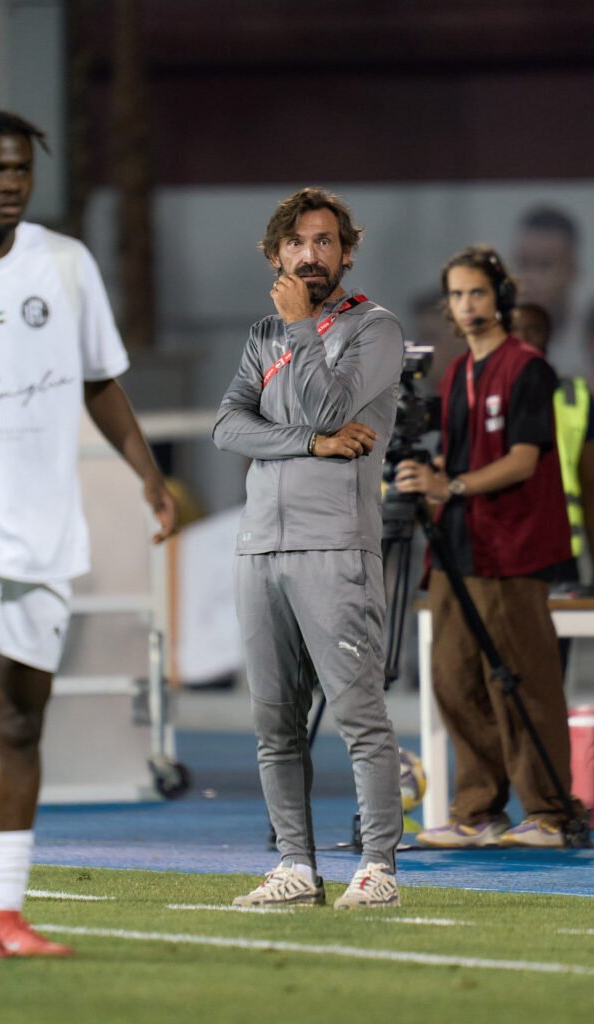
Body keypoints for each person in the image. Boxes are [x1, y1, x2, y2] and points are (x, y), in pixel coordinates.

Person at [0, 110, 177, 959]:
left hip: (42, 532)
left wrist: (147, 474)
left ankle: (7, 912)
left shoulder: (64, 264)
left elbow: (98, 380)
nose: (12, 183)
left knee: (21, 725)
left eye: (22, 168)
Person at [213, 187, 404, 908]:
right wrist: (312, 444)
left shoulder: (374, 328)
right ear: (274, 254)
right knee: (274, 723)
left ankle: (378, 868)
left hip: (334, 546)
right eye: (296, 243)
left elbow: (331, 405)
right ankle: (295, 865)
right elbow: (227, 427)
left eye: (325, 241)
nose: (310, 255)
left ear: (346, 253)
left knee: (358, 717)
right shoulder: (262, 335)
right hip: (259, 545)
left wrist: (300, 328)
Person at [395, 244, 584, 849]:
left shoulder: (527, 368)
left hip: (513, 548)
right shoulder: (456, 373)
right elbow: (457, 457)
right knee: (453, 679)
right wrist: (427, 480)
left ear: (499, 297)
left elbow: (524, 460)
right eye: (456, 295)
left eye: (476, 292)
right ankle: (479, 810)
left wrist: (447, 485)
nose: (466, 305)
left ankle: (549, 812)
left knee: (522, 680)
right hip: (458, 546)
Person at [512, 302, 594, 587]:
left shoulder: (575, 397)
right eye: (515, 330)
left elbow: (590, 485)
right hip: (500, 548)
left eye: (533, 329)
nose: (524, 338)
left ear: (549, 334)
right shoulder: (482, 393)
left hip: (560, 547)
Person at [512, 206, 591, 380]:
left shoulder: (587, 342)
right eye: (522, 263)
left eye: (543, 265)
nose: (527, 278)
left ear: (572, 271)